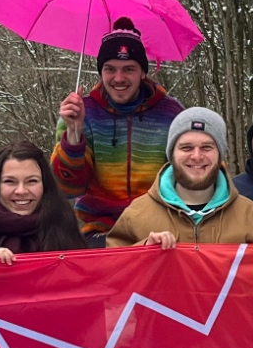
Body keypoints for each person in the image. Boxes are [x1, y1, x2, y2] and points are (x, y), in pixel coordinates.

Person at [53, 20, 185, 240]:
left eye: (128, 69)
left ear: (142, 72)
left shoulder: (172, 113)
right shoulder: (81, 113)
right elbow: (67, 188)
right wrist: (73, 136)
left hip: (161, 229)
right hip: (100, 231)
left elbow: (188, 176)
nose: (119, 78)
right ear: (101, 71)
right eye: (110, 69)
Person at [106, 107, 253, 247]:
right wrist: (143, 250)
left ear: (220, 155)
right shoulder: (136, 215)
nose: (196, 156)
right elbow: (113, 271)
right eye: (186, 147)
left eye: (207, 147)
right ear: (171, 154)